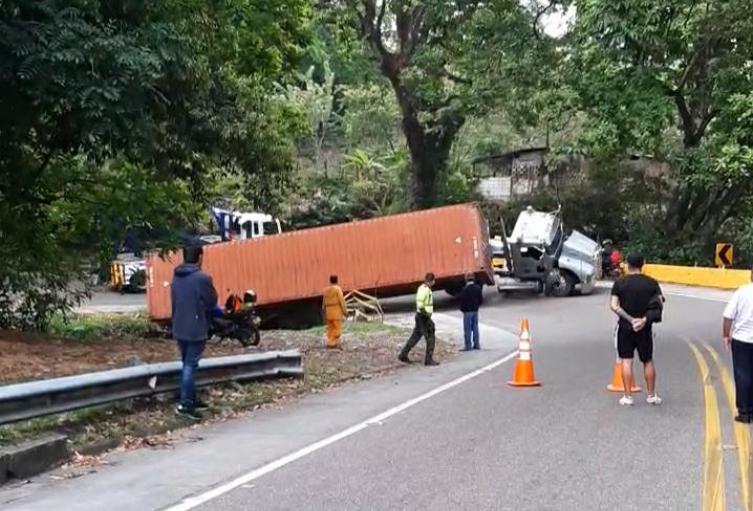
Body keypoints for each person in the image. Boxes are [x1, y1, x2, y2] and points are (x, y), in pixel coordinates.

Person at [609, 254, 664, 406]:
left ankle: (627, 396)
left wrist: (630, 319)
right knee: (647, 360)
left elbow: (613, 305)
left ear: (627, 264)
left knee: (626, 360)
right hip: (645, 328)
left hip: (625, 327)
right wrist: (643, 320)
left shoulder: (620, 283)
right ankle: (651, 395)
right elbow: (659, 305)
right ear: (643, 264)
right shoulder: (652, 283)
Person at [171, 244, 218, 420]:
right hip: (195, 328)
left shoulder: (176, 276)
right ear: (200, 257)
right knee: (190, 366)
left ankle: (191, 398)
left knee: (187, 363)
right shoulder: (202, 278)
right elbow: (212, 301)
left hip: (179, 326)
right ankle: (185, 405)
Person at [723, 266, 753, 423]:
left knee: (743, 375)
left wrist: (726, 335)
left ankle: (745, 412)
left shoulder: (742, 292)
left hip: (742, 340)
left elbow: (728, 316)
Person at [399, 273, 439, 366]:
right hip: (423, 316)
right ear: (432, 281)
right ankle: (428, 359)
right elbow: (420, 305)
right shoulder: (424, 290)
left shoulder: (422, 288)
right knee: (430, 335)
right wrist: (427, 315)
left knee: (415, 336)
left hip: (420, 316)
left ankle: (403, 354)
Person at [459, 272, 483, 351]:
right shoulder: (478, 288)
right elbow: (480, 299)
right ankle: (477, 344)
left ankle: (468, 346)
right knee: (475, 327)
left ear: (466, 279)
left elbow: (462, 301)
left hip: (467, 311)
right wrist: (477, 306)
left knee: (467, 329)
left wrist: (462, 309)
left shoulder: (464, 290)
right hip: (475, 310)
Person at [322, 275, 347, 349]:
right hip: (336, 311)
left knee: (330, 328)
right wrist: (345, 311)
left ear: (330, 281)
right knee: (337, 328)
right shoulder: (337, 289)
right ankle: (333, 343)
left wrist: (324, 311)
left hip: (328, 311)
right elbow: (341, 301)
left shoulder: (326, 290)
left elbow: (323, 302)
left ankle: (329, 341)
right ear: (337, 280)